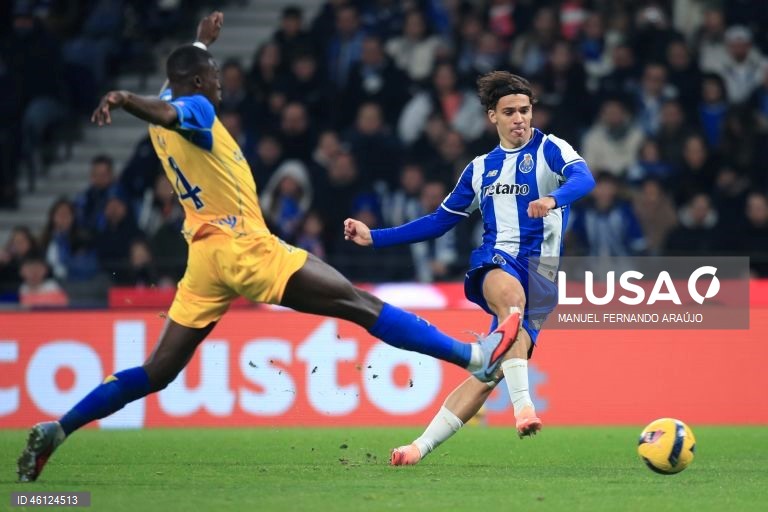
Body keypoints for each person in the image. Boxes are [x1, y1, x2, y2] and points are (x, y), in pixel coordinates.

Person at [16, 12, 514, 483]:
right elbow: (172, 107)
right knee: (360, 304)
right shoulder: (193, 107)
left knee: (157, 371)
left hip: (205, 257)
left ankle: (58, 429)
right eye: (212, 75)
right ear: (197, 84)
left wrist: (199, 41)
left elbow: (173, 86)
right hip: (243, 247)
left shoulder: (176, 94)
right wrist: (125, 97)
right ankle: (474, 357)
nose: (218, 82)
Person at [344, 71, 595, 465]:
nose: (519, 119)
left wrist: (553, 198)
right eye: (509, 111)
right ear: (492, 116)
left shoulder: (550, 150)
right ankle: (523, 408)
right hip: (497, 260)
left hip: (542, 278)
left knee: (491, 371)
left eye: (525, 110)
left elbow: (585, 178)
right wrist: (374, 236)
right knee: (509, 302)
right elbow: (438, 221)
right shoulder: (480, 169)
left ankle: (418, 448)